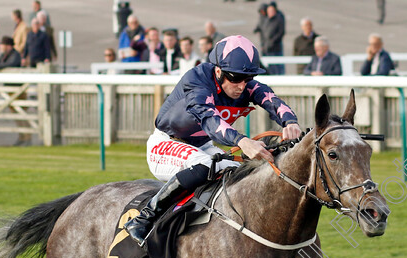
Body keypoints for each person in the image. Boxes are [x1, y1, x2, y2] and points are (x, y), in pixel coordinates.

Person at [124, 35, 301, 246]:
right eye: (236, 78)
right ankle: (144, 219)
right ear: (218, 71)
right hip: (166, 144)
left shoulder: (243, 84)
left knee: (243, 174)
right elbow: (210, 120)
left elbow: (271, 99)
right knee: (205, 164)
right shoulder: (197, 81)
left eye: (248, 78)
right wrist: (242, 141)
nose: (242, 86)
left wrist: (290, 122)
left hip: (201, 146)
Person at [254, 2, 285, 74]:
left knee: (277, 66)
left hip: (275, 48)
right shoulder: (265, 18)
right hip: (266, 47)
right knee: (268, 66)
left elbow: (280, 33)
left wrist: (272, 42)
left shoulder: (279, 18)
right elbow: (262, 30)